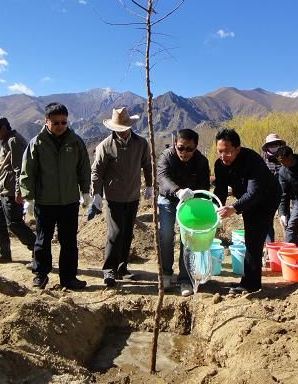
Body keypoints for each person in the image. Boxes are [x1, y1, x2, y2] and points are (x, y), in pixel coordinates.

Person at [20, 103, 91, 290]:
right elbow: (27, 172)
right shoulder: (37, 143)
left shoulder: (75, 142)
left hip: (69, 201)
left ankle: (68, 278)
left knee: (69, 242)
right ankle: (40, 275)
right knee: (43, 240)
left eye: (64, 122)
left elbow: (83, 168)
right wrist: (29, 198)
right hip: (45, 201)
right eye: (56, 122)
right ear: (47, 121)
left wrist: (85, 191)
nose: (60, 126)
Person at [214, 128, 281, 295]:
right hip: (248, 198)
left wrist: (234, 208)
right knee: (251, 237)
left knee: (253, 239)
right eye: (220, 151)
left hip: (267, 198)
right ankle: (249, 280)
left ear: (238, 149)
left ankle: (251, 284)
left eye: (228, 152)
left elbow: (255, 191)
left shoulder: (251, 160)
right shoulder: (219, 165)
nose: (223, 156)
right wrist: (214, 207)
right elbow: (221, 190)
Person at [91, 107, 152, 288]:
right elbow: (97, 171)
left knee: (127, 233)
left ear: (129, 126)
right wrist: (97, 193)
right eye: (119, 128)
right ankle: (108, 269)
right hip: (113, 197)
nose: (122, 131)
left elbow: (147, 165)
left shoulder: (141, 143)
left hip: (133, 196)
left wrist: (149, 185)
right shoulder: (105, 146)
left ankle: (122, 267)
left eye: (124, 127)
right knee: (114, 233)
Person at [157, 129, 210, 297]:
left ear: (195, 148)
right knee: (165, 234)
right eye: (181, 148)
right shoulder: (166, 156)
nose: (184, 152)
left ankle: (185, 279)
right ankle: (165, 273)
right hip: (168, 199)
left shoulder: (201, 161)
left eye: (189, 149)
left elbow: (204, 186)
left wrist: (198, 200)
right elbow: (162, 178)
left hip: (190, 202)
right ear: (175, 144)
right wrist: (178, 191)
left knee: (188, 238)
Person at [0, 116, 36, 262]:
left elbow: (21, 169)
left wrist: (20, 191)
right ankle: (3, 253)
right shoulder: (6, 141)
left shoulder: (14, 141)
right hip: (4, 190)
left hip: (12, 191)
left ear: (2, 127)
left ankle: (38, 250)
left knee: (14, 224)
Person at [262, 133, 286, 242]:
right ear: (267, 146)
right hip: (267, 195)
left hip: (284, 194)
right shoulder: (262, 159)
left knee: (285, 220)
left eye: (276, 144)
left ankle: (288, 247)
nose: (274, 146)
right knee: (267, 222)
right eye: (271, 144)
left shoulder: (284, 157)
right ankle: (270, 246)